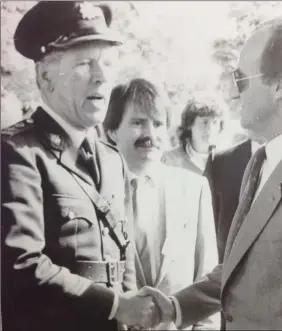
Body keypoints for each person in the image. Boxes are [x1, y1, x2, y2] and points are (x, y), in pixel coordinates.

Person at [140, 15, 282, 330]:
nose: (234, 93)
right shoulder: (260, 162)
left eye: (241, 78)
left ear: (279, 85)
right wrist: (175, 307)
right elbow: (241, 268)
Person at [1, 2, 158, 331]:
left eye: (107, 63)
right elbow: (22, 265)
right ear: (45, 76)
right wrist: (116, 306)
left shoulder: (111, 158)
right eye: (85, 64)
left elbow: (121, 256)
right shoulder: (17, 152)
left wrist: (130, 311)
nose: (102, 77)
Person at [103, 78, 220, 330]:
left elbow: (206, 281)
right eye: (138, 122)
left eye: (157, 124)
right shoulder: (97, 193)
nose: (151, 134)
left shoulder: (194, 188)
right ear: (112, 130)